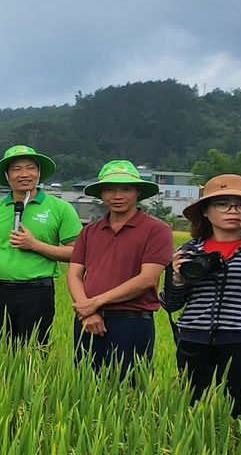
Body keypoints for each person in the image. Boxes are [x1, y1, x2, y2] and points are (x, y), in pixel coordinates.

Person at [163, 174, 241, 417]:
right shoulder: (189, 250)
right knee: (194, 414)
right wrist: (177, 279)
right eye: (222, 204)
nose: (232, 210)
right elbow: (170, 303)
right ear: (205, 211)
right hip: (195, 342)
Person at [66, 160, 175, 378]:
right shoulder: (90, 232)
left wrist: (95, 303)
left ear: (138, 192)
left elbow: (147, 279)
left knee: (129, 390)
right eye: (110, 189)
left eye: (126, 189)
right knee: (85, 385)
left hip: (131, 321)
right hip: (87, 321)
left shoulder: (157, 230)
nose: (117, 196)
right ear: (101, 194)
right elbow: (74, 274)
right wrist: (87, 312)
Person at [0, 144, 80, 345]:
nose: (24, 174)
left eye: (30, 168)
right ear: (7, 175)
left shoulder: (60, 208)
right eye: (16, 169)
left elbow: (77, 253)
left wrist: (35, 245)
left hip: (37, 292)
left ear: (39, 173)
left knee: (33, 352)